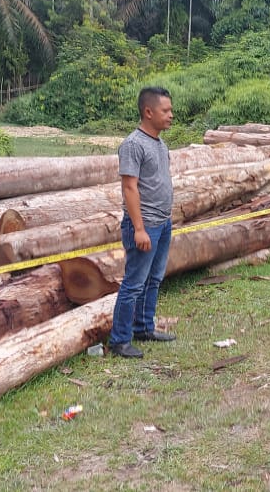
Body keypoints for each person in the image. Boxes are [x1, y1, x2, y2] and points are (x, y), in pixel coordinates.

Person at [108, 87, 177, 358]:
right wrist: (138, 228)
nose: (171, 115)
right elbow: (129, 189)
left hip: (163, 222)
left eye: (170, 110)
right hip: (145, 225)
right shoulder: (133, 145)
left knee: (154, 278)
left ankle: (144, 327)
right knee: (134, 283)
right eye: (165, 111)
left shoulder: (160, 143)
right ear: (148, 112)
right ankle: (120, 340)